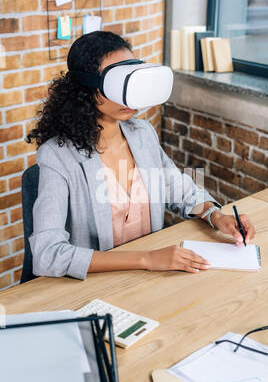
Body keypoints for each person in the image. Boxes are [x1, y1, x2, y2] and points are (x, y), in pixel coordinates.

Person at [26, 31, 255, 280]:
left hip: (153, 279)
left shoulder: (142, 134)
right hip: (97, 285)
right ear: (84, 88)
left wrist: (217, 216)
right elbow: (48, 254)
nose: (127, 95)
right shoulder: (57, 156)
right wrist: (147, 258)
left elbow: (183, 190)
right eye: (116, 82)